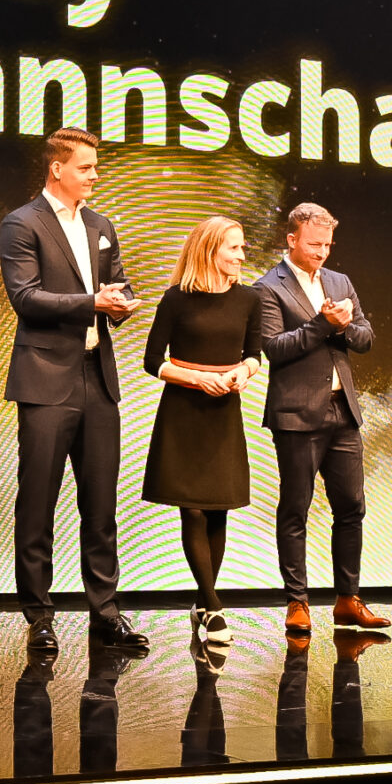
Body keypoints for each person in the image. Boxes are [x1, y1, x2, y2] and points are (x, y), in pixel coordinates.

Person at [0, 127, 144, 655]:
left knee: (100, 503)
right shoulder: (22, 222)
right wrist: (92, 303)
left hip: (96, 378)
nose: (94, 175)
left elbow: (119, 283)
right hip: (45, 378)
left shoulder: (100, 225)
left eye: (95, 167)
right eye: (85, 167)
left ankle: (105, 613)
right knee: (37, 502)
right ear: (57, 168)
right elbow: (26, 298)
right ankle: (39, 615)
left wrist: (120, 302)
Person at [254, 203, 385, 637]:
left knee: (351, 506)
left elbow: (365, 338)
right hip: (296, 413)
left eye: (327, 245)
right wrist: (323, 323)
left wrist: (343, 327)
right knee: (296, 509)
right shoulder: (267, 287)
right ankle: (297, 601)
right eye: (314, 244)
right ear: (292, 239)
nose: (322, 252)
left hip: (342, 410)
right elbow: (274, 347)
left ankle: (348, 599)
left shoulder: (339, 281)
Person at [141, 216, 265, 651]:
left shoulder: (249, 299)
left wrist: (243, 373)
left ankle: (202, 600)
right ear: (210, 250)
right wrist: (197, 379)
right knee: (191, 510)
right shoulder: (176, 298)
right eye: (234, 247)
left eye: (242, 247)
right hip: (183, 411)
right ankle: (213, 606)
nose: (241, 255)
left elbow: (255, 354)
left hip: (224, 411)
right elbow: (152, 360)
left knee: (217, 509)